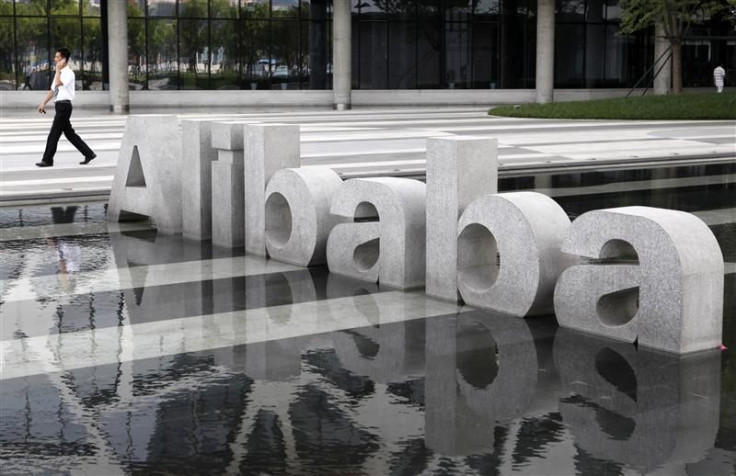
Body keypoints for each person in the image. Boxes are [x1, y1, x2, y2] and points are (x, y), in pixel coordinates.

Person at [35, 48, 96, 168]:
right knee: (70, 134)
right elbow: (53, 90)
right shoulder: (60, 73)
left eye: (57, 57)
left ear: (63, 59)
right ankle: (89, 153)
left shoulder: (68, 73)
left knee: (54, 133)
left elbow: (58, 83)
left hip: (65, 106)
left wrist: (57, 70)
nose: (55, 59)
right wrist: (43, 103)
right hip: (59, 105)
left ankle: (47, 160)